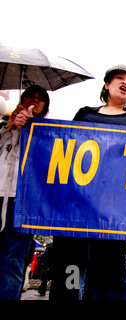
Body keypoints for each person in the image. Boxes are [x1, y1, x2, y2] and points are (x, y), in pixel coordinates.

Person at [48, 65, 126, 300]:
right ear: (106, 85)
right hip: (78, 205)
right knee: (72, 265)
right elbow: (65, 148)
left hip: (114, 208)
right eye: (119, 78)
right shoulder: (85, 114)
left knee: (109, 266)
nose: (125, 82)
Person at [0, 85, 50, 300]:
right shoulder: (5, 128)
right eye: (32, 96)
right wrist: (10, 127)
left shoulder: (46, 134)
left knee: (12, 261)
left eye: (41, 98)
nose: (35, 100)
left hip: (22, 203)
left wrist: (31, 130)